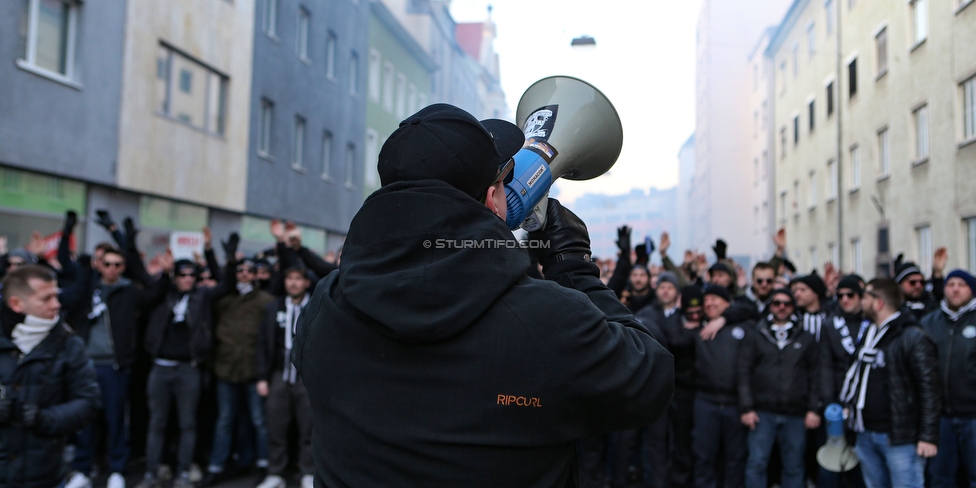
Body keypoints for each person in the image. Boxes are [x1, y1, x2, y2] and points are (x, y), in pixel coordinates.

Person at [293, 103, 675, 486]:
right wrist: (572, 266)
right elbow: (650, 377)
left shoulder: (324, 306)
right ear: (494, 201)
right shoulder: (545, 320)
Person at [69, 246, 171, 488]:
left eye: (117, 264)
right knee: (84, 420)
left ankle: (117, 469)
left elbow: (154, 295)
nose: (112, 269)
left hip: (115, 367)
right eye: (107, 264)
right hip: (86, 365)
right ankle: (82, 469)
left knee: (116, 420)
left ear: (123, 267)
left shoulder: (128, 291)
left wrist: (166, 274)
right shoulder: (88, 289)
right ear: (99, 264)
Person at [0, 265, 101, 488]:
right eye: (46, 299)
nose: (56, 304)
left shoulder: (68, 343)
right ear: (16, 303)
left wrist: (46, 419)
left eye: (56, 296)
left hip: (44, 474)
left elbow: (88, 400)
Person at [136, 255, 232, 488]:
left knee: (187, 424)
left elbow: (227, 285)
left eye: (191, 275)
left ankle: (184, 473)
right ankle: (151, 473)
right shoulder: (163, 294)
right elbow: (144, 290)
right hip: (160, 367)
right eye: (182, 275)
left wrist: (214, 253)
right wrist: (164, 275)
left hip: (188, 369)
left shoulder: (202, 296)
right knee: (157, 424)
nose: (187, 279)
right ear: (174, 277)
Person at [840, 279, 941, 488]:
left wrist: (928, 436)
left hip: (900, 437)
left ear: (878, 303)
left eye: (865, 296)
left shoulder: (912, 336)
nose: (861, 302)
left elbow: (930, 389)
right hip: (865, 432)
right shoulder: (869, 334)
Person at [203, 237, 276, 486]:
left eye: (249, 271)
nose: (244, 274)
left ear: (257, 275)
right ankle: (216, 466)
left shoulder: (266, 302)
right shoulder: (224, 301)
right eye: (240, 270)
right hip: (225, 369)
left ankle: (263, 465)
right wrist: (216, 254)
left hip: (254, 372)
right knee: (225, 420)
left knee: (257, 421)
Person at [737, 288, 820, 488]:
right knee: (757, 464)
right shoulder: (756, 334)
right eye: (776, 303)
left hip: (796, 412)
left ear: (793, 307)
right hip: (762, 412)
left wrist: (814, 409)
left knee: (794, 466)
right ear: (770, 306)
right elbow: (744, 372)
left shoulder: (806, 337)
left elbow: (815, 375)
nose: (781, 307)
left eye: (787, 303)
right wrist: (746, 407)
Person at [255, 267, 314, 488]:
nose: (294, 283)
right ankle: (275, 473)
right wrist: (262, 377)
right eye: (290, 278)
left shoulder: (316, 306)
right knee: (275, 426)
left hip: (306, 376)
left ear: (306, 282)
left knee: (308, 427)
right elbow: (262, 343)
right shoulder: (274, 307)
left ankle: (307, 472)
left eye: (298, 278)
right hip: (279, 374)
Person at [692, 285, 754, 488]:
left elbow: (752, 308)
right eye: (706, 300)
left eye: (714, 299)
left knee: (735, 459)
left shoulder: (744, 327)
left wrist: (725, 318)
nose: (709, 303)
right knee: (704, 457)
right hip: (706, 403)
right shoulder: (697, 327)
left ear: (728, 303)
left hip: (735, 404)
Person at [920, 269, 976, 488]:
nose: (955, 289)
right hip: (940, 417)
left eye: (961, 284)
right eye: (950, 284)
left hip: (973, 416)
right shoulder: (929, 322)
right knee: (940, 478)